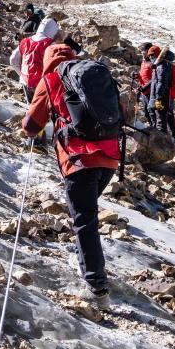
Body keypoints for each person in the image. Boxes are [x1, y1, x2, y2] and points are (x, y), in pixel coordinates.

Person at [22, 43, 121, 307]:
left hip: (79, 159)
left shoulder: (51, 78)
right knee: (86, 216)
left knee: (84, 220)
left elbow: (32, 123)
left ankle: (96, 287)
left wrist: (30, 132)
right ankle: (88, 264)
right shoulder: (91, 74)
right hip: (110, 157)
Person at [10, 17, 59, 103]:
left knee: (31, 108)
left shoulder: (25, 41)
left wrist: (22, 75)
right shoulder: (51, 44)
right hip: (42, 84)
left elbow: (13, 59)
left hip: (25, 81)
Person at [148, 46, 175, 141]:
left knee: (160, 122)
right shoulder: (163, 66)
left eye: (152, 55)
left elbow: (161, 83)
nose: (150, 57)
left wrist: (158, 98)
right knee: (160, 120)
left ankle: (161, 144)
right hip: (161, 97)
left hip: (161, 98)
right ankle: (162, 142)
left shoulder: (162, 66)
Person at [138, 42, 155, 127]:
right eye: (141, 51)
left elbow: (155, 78)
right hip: (144, 92)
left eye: (143, 51)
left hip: (151, 93)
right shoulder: (144, 61)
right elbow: (144, 74)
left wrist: (146, 87)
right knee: (146, 112)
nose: (142, 53)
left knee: (152, 113)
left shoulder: (153, 63)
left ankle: (156, 131)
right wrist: (137, 75)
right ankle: (152, 128)